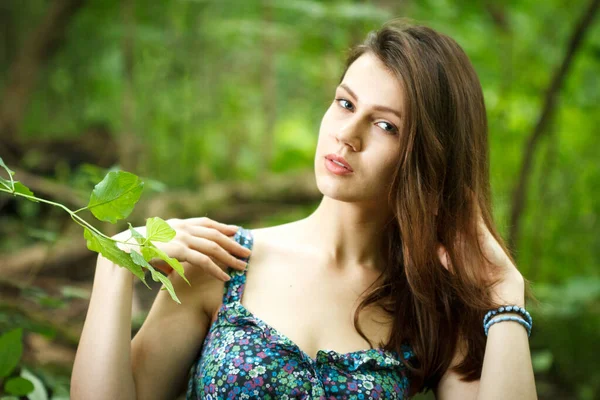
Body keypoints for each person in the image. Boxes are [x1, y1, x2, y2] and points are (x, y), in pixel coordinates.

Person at [71, 19, 537, 400]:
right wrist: (117, 262)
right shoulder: (224, 261)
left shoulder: (430, 307)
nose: (347, 134)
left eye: (384, 125)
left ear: (428, 156)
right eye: (344, 103)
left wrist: (506, 296)